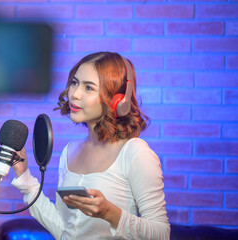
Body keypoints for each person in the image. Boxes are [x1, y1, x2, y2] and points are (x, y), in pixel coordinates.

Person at [11, 52, 170, 239]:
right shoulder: (70, 151)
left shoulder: (136, 153)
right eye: (75, 83)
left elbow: (162, 234)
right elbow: (65, 230)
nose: (75, 94)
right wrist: (24, 176)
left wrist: (111, 213)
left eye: (89, 88)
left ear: (118, 101)